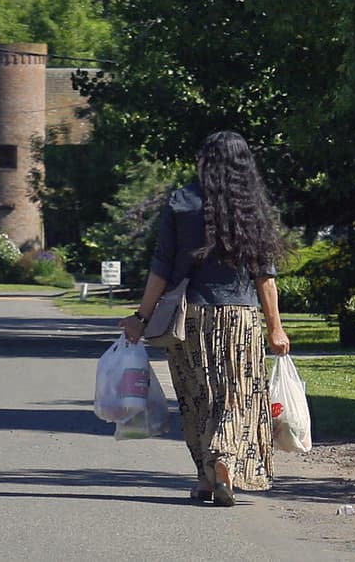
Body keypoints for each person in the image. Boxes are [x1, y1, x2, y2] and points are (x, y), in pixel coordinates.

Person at [120, 130, 290, 507]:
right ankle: (224, 461)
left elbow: (161, 267)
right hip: (241, 319)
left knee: (196, 397)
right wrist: (276, 328)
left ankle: (204, 477)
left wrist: (140, 317)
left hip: (190, 317)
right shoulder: (251, 206)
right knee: (236, 395)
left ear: (205, 161)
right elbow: (264, 275)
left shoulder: (181, 201)